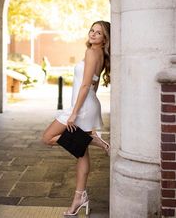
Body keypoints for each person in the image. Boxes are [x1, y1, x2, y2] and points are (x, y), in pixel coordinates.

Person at [42, 20, 111, 216]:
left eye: (98, 33)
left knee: (47, 138)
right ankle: (80, 198)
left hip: (80, 107)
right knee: (81, 152)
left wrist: (74, 113)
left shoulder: (91, 53)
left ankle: (96, 141)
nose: (93, 34)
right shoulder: (97, 54)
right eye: (92, 30)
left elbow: (85, 86)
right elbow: (93, 85)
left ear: (104, 39)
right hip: (87, 104)